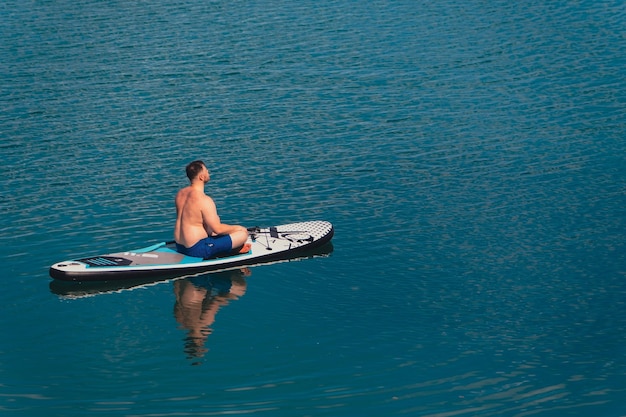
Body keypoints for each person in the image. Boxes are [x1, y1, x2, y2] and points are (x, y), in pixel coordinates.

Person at [174, 160, 251, 259]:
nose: (208, 172)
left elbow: (194, 220)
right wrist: (239, 228)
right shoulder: (204, 200)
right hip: (196, 249)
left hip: (180, 246)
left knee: (211, 226)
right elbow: (218, 229)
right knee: (242, 235)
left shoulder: (180, 194)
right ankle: (230, 251)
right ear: (201, 177)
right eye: (206, 171)